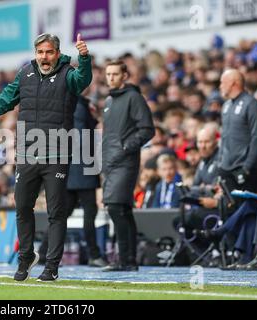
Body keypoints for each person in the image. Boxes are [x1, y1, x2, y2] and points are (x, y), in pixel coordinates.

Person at [0, 33, 92, 281]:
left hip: (57, 153)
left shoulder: (68, 73)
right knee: (22, 207)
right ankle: (26, 256)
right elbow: (4, 100)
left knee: (56, 212)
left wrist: (84, 58)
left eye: (49, 52)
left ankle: (51, 266)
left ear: (58, 53)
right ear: (35, 53)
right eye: (40, 52)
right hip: (28, 153)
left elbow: (83, 80)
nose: (44, 57)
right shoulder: (25, 74)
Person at [37, 94, 107, 267]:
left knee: (61, 214)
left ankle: (43, 252)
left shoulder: (67, 101)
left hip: (70, 168)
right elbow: (83, 135)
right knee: (89, 213)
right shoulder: (78, 104)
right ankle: (93, 254)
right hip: (82, 167)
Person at [101, 60, 155, 272]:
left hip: (125, 161)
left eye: (115, 74)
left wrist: (126, 147)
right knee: (122, 209)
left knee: (115, 207)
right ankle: (128, 260)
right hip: (110, 162)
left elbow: (147, 129)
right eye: (108, 74)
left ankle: (125, 259)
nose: (111, 78)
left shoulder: (134, 98)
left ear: (125, 75)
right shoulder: (109, 101)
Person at [218, 69, 257, 194]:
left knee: (245, 208)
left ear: (234, 83)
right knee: (227, 208)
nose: (220, 86)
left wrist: (247, 167)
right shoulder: (226, 105)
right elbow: (224, 136)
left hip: (244, 168)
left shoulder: (251, 104)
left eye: (223, 82)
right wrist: (220, 161)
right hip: (226, 167)